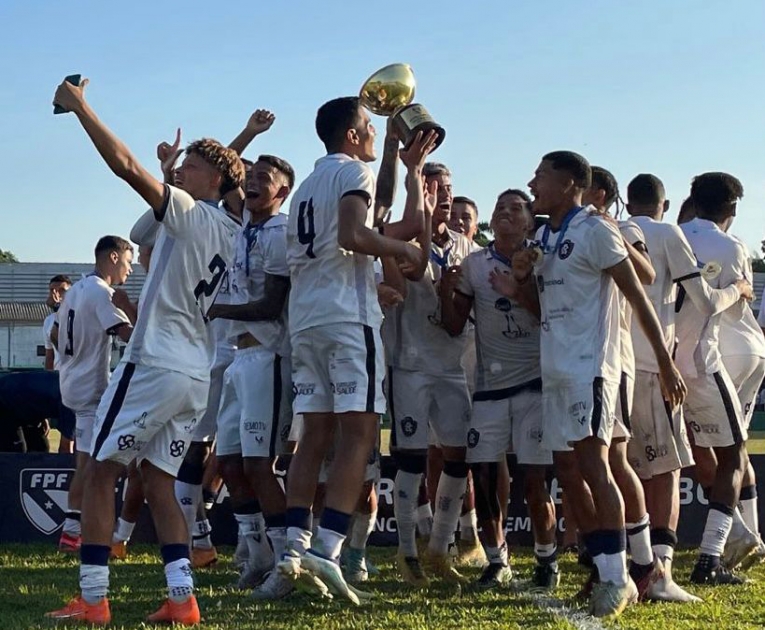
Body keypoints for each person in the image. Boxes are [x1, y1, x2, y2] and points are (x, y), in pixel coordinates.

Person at [47, 76, 243, 626]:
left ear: (215, 181)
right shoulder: (226, 228)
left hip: (153, 362)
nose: (182, 170)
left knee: (102, 472)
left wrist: (81, 106)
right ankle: (182, 600)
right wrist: (173, 172)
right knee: (157, 482)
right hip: (191, 373)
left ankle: (92, 597)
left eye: (193, 166)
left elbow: (126, 168)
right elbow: (156, 213)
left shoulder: (196, 212)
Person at [515, 151, 686, 618]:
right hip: (555, 369)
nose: (532, 182)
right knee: (568, 473)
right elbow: (538, 307)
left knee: (596, 463)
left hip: (593, 367)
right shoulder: (545, 235)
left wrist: (667, 365)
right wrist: (522, 276)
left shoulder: (595, 230)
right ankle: (607, 566)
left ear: (571, 182)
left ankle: (619, 578)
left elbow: (639, 293)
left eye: (541, 175)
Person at [277, 96, 427, 605]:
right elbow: (354, 233)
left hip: (306, 319)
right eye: (369, 126)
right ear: (351, 135)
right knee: (360, 433)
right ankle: (329, 545)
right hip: (346, 315)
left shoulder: (304, 187)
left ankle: (292, 551)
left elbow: (370, 209)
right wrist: (401, 249)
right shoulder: (352, 175)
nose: (372, 131)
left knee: (314, 434)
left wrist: (389, 153)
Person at [440, 188, 558, 589]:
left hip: (535, 385)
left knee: (534, 481)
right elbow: (455, 325)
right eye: (501, 208)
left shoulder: (546, 260)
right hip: (489, 388)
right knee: (485, 478)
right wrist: (446, 289)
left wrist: (518, 291)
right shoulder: (474, 264)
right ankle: (497, 560)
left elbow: (551, 315)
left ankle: (546, 560)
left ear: (529, 219)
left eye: (516, 208)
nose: (506, 213)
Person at [384, 159, 476, 587]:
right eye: (432, 186)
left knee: (457, 457)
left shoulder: (467, 249)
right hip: (411, 364)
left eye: (447, 187)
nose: (442, 195)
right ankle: (408, 554)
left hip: (454, 367)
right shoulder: (399, 240)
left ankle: (440, 548)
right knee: (413, 460)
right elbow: (414, 270)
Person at [209, 153, 296, 599]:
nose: (254, 182)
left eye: (266, 177)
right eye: (252, 176)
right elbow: (221, 174)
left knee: (259, 464)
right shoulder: (247, 224)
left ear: (283, 191)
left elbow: (271, 305)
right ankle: (257, 552)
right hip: (237, 358)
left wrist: (217, 308)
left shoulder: (280, 232)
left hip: (267, 355)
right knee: (228, 461)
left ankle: (286, 563)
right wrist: (243, 143)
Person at [581, 166, 661, 599]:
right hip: (580, 359)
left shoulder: (621, 224)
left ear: (600, 192)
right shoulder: (570, 229)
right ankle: (606, 561)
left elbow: (646, 274)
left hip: (614, 359)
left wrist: (614, 232)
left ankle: (644, 563)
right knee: (587, 461)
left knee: (613, 457)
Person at [678, 172, 755, 585]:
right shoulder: (729, 246)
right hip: (702, 363)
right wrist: (739, 288)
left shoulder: (670, 236)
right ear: (732, 209)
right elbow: (731, 312)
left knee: (668, 463)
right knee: (733, 454)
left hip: (657, 365)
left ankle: (650, 559)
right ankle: (710, 558)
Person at [55, 236, 134, 554]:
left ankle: (74, 530)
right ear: (113, 257)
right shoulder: (104, 293)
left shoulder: (74, 290)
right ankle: (75, 532)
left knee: (89, 459)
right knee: (91, 462)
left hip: (71, 381)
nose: (130, 269)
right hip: (91, 388)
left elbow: (54, 332)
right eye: (128, 261)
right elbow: (127, 334)